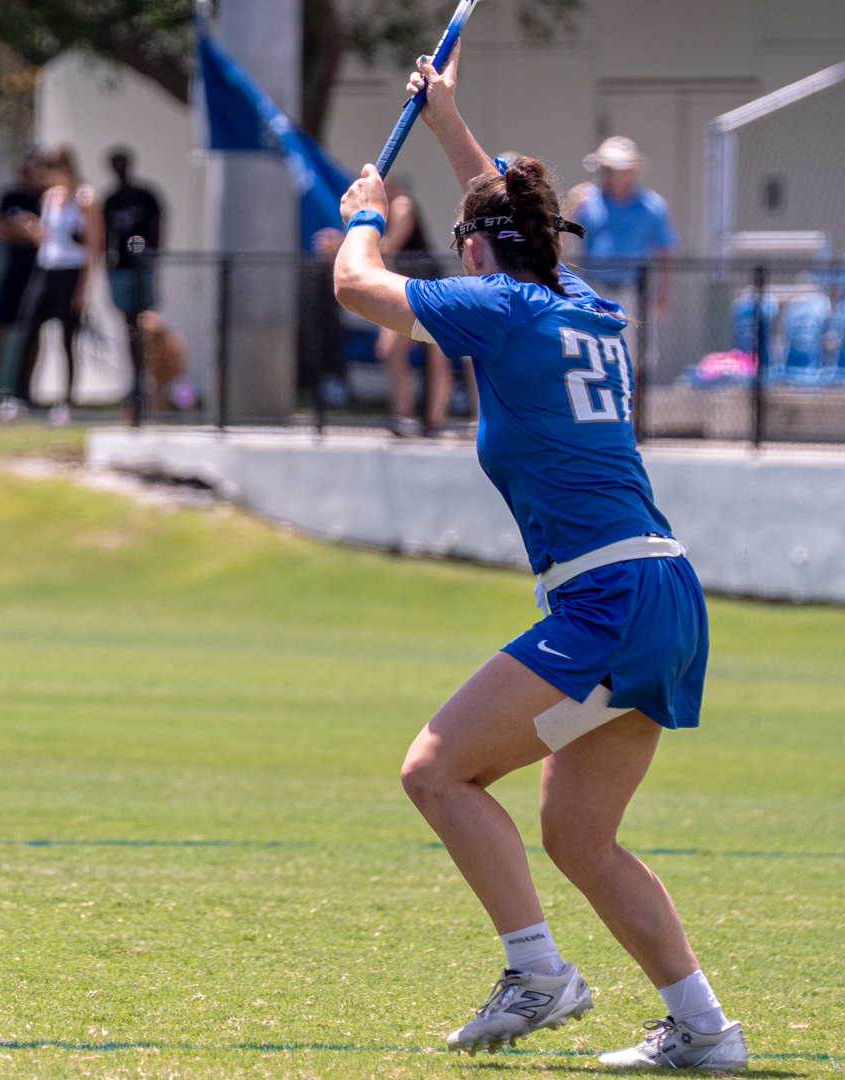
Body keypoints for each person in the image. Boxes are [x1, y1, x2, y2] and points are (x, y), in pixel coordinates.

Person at [332, 50, 748, 1071]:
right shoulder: (582, 306)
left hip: (603, 599)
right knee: (578, 834)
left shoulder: (499, 308)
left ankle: (539, 973)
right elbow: (515, 215)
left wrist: (364, 213)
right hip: (664, 595)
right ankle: (705, 1029)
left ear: (477, 249)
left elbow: (355, 287)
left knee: (436, 772)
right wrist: (449, 123)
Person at [565, 136, 678, 367]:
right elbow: (561, 238)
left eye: (614, 168)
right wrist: (569, 206)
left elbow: (666, 251)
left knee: (634, 362)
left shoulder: (651, 206)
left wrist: (662, 294)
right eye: (605, 168)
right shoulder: (587, 201)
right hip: (591, 291)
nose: (608, 174)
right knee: (590, 359)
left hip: (634, 294)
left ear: (632, 170)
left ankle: (635, 405)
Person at [11, 145, 103, 421]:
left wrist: (84, 290)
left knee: (67, 339)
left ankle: (65, 402)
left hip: (71, 272)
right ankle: (20, 396)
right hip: (46, 268)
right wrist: (31, 230)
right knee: (28, 333)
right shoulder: (49, 197)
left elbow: (94, 246)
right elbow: (49, 240)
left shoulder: (85, 199)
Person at [375, 174, 460, 436]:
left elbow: (389, 247)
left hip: (428, 286)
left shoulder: (402, 205)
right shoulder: (387, 215)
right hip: (408, 289)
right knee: (389, 351)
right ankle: (403, 417)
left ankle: (434, 419)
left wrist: (348, 245)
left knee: (436, 356)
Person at [103, 148, 162, 423]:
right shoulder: (110, 200)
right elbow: (106, 236)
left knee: (146, 323)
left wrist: (153, 255)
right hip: (121, 270)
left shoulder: (145, 196)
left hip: (143, 269)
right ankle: (135, 380)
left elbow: (157, 226)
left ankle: (151, 378)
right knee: (128, 327)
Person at [0, 148, 45, 394]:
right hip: (12, 271)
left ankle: (25, 388)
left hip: (38, 273)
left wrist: (29, 231)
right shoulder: (10, 197)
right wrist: (24, 232)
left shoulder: (47, 198)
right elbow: (1, 232)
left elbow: (45, 237)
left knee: (33, 331)